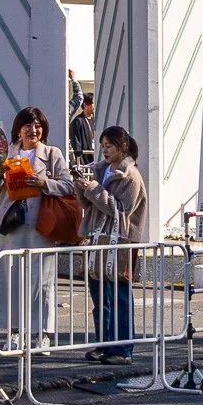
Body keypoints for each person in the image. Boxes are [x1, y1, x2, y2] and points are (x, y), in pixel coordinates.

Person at [0, 106, 72, 349]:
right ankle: (13, 332)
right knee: (10, 278)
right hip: (11, 224)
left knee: (42, 281)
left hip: (41, 224)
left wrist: (44, 182)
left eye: (37, 126)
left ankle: (41, 333)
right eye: (28, 126)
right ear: (18, 130)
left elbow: (68, 185)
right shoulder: (7, 154)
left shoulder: (52, 154)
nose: (33, 130)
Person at [75, 125, 147, 362]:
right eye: (103, 146)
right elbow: (91, 205)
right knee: (99, 294)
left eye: (110, 146)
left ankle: (123, 349)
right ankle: (104, 343)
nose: (105, 150)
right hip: (98, 237)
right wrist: (81, 188)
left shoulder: (131, 176)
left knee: (119, 294)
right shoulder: (101, 170)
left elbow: (121, 211)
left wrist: (93, 190)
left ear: (122, 147)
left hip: (122, 240)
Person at [67, 93, 96, 163]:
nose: (94, 106)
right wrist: (80, 161)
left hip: (94, 158)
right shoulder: (77, 121)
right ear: (85, 105)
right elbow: (76, 144)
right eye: (93, 103)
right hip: (84, 160)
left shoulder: (94, 119)